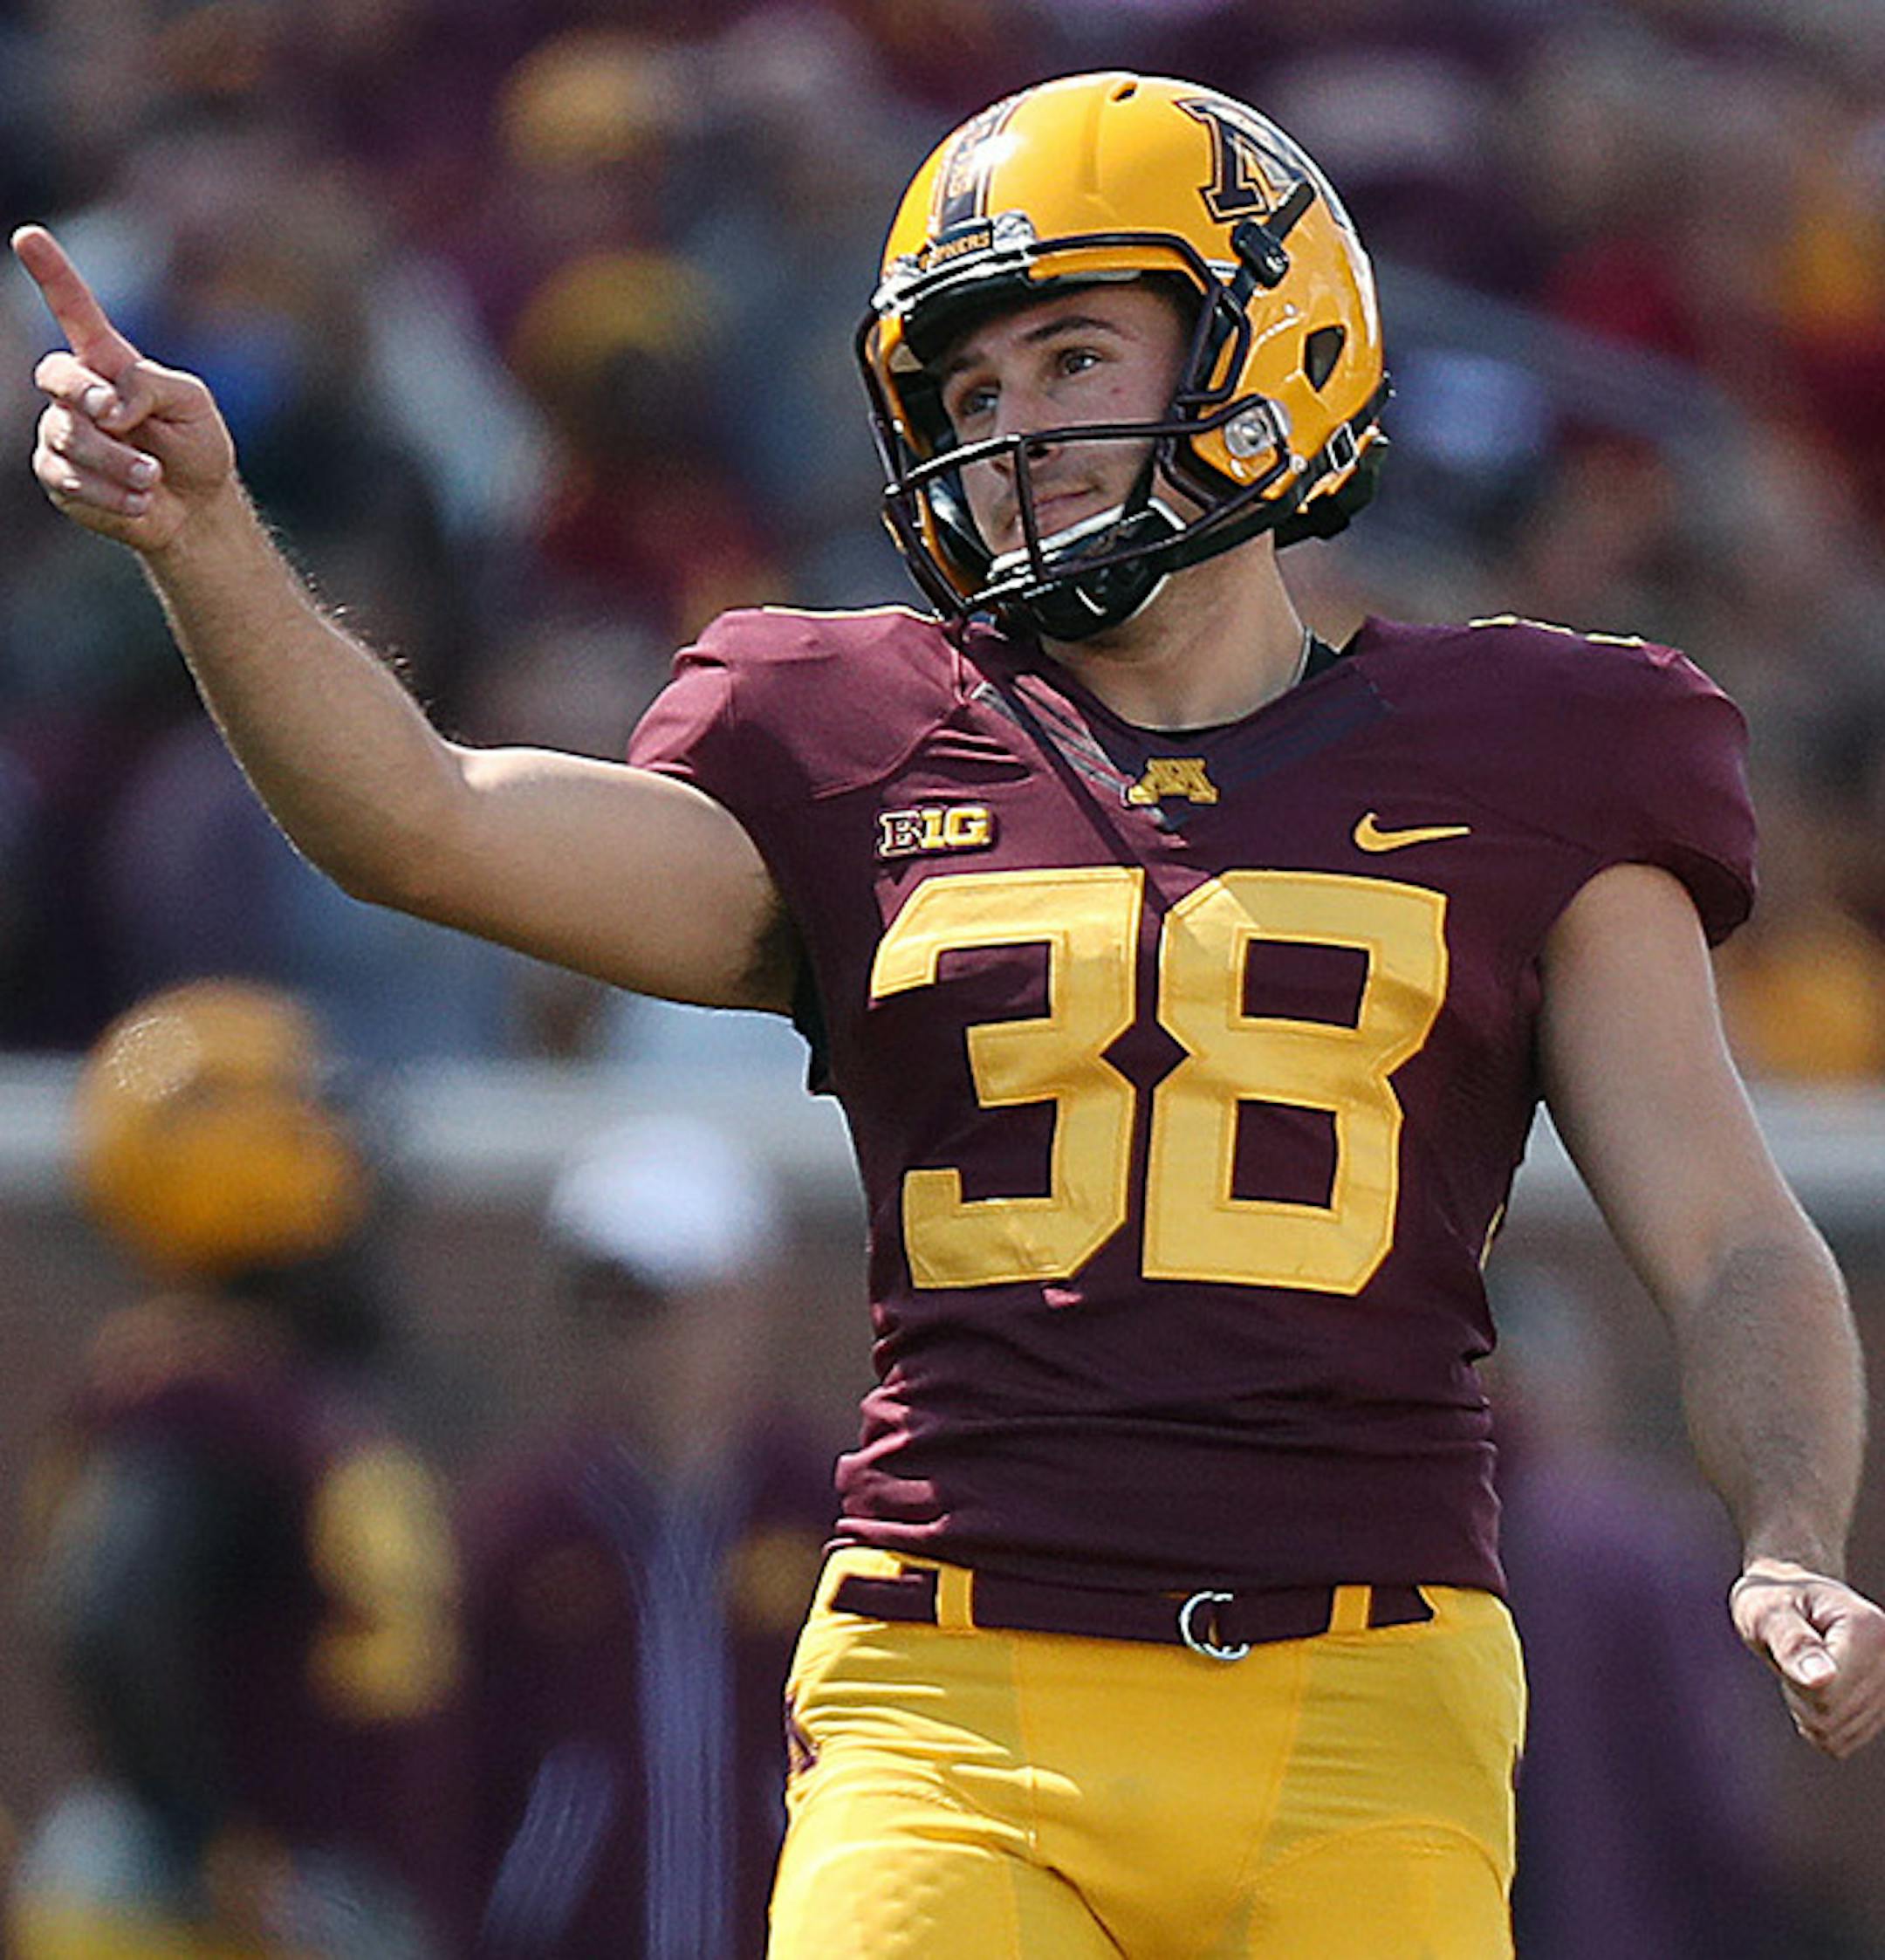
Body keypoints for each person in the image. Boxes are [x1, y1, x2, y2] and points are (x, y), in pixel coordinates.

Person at [14, 67, 1885, 1958]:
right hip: (951, 1691)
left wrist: (1793, 1526)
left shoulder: (1551, 748)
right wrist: (212, 543)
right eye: (973, 392)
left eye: (1074, 355)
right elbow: (423, 822)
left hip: (1363, 1702)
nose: (1015, 429)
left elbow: (1730, 1235)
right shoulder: (853, 736)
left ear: (1278, 334)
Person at [8, 980, 462, 1959]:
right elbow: (108, 1613)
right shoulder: (201, 1397)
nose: (368, 1180)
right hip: (230, 1913)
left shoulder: (249, 1380)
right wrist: (215, 1848)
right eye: (324, 1132)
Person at [451, 1115, 834, 1958]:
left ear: (749, 1296)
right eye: (606, 1301)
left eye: (660, 1300)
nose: (639, 1337)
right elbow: (453, 1785)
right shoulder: (522, 1531)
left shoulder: (832, 1524)